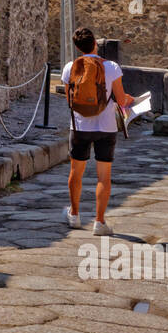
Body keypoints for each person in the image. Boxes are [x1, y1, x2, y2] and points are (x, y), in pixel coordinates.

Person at [61, 27, 133, 236]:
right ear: (95, 44)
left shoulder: (69, 68)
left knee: (76, 172)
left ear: (77, 47)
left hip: (80, 127)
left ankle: (74, 215)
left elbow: (69, 100)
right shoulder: (111, 67)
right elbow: (121, 101)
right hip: (106, 127)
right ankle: (99, 222)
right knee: (103, 176)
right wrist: (128, 99)